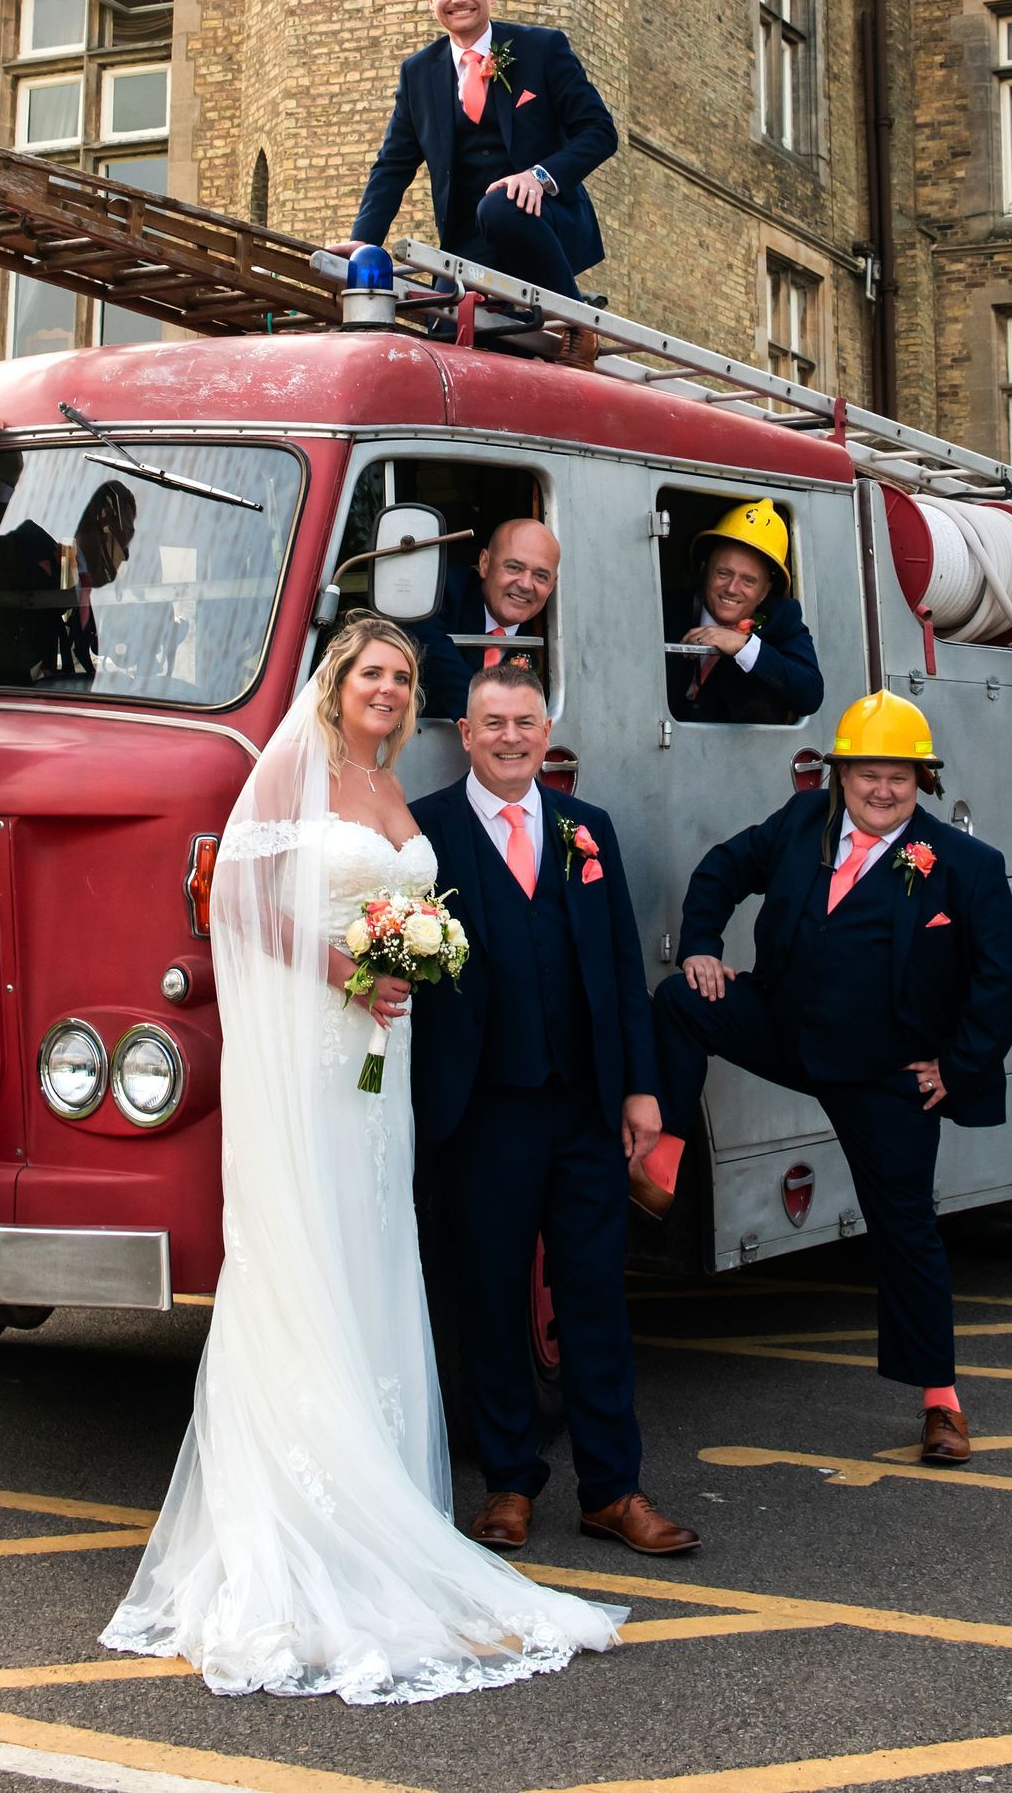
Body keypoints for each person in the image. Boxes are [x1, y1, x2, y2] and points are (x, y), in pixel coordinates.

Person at [102, 616, 623, 1701]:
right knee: (306, 1247)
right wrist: (349, 961)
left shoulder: (396, 790)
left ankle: (381, 1482)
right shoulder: (292, 772)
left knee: (376, 1247)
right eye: (373, 672)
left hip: (385, 1056)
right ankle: (310, 1504)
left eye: (403, 676)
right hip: (311, 1047)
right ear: (337, 682)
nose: (388, 688)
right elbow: (236, 902)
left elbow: (423, 908)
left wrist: (404, 965)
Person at [639, 691, 1012, 1468]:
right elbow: (721, 868)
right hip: (788, 1029)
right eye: (866, 775)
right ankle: (660, 1158)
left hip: (886, 1073)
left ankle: (940, 1402)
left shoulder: (964, 866)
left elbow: (1004, 979)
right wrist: (702, 946)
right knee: (682, 1001)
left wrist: (959, 1063)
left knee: (905, 1230)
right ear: (839, 775)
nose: (882, 791)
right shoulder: (798, 825)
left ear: (923, 780)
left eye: (900, 777)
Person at [410, 663, 700, 1558]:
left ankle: (614, 1490)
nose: (508, 736)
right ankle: (508, 1484)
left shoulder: (588, 830)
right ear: (464, 733)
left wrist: (641, 1089)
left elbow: (619, 967)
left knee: (595, 1299)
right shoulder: (424, 834)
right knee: (493, 1301)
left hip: (583, 1110)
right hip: (481, 1113)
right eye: (491, 722)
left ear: (546, 731)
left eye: (524, 721)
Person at [348, 0, 617, 309]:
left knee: (500, 206)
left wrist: (538, 177)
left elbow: (600, 132)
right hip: (466, 244)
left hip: (541, 223)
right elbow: (393, 167)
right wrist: (363, 242)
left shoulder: (543, 48)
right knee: (441, 327)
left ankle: (574, 323)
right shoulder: (418, 73)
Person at [0, 452, 139, 685]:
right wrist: (5, 480)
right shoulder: (33, 551)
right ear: (104, 523)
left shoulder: (79, 590)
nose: (126, 554)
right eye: (125, 537)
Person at [663, 500, 823, 728]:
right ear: (703, 571)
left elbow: (810, 695)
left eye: (748, 580)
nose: (731, 588)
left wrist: (744, 646)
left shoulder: (782, 619)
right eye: (723, 573)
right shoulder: (665, 610)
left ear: (764, 592)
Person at [412, 515, 560, 721]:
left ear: (552, 586)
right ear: (484, 564)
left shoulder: (552, 635)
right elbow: (424, 638)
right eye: (514, 567)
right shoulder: (443, 591)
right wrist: (483, 717)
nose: (526, 584)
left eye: (541, 576)